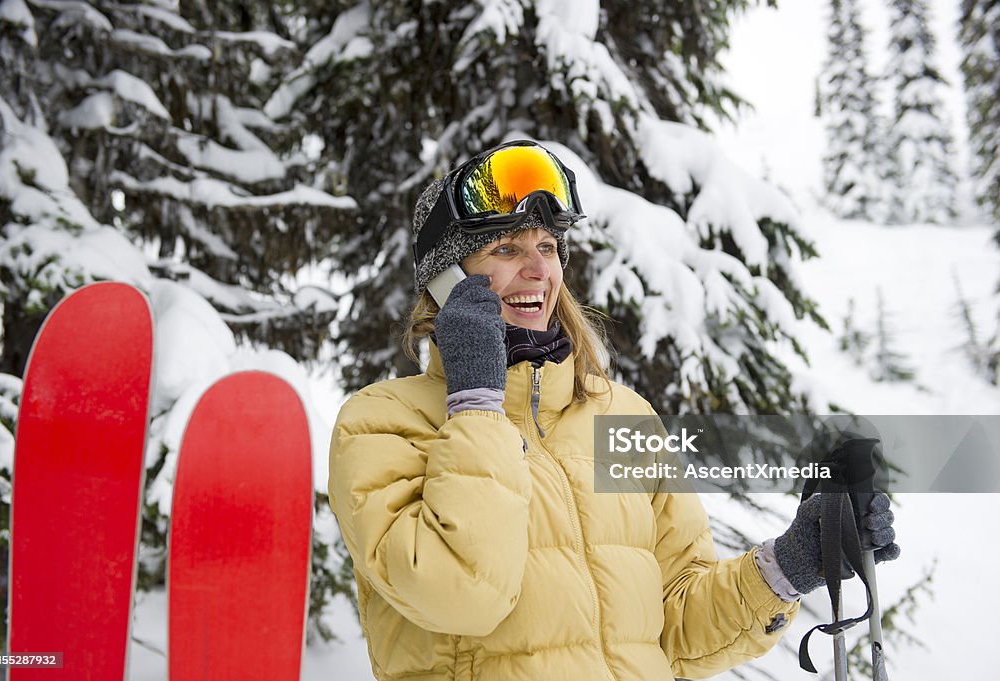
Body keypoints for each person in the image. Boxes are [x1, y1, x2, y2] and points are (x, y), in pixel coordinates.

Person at [328, 140, 899, 681]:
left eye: (547, 248)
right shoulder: (382, 425)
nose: (538, 270)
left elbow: (675, 627)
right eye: (506, 249)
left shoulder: (620, 417)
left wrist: (789, 565)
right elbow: (460, 593)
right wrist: (477, 402)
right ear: (448, 281)